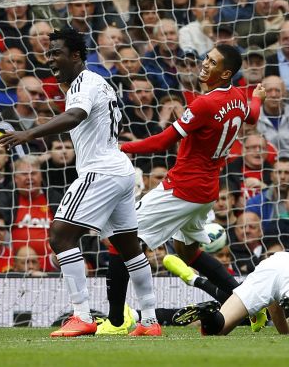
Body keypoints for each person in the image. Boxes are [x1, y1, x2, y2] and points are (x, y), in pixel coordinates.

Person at [0, 27, 160, 337]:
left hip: (101, 171)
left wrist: (29, 133)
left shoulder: (84, 83)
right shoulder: (99, 83)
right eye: (48, 54)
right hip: (119, 170)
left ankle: (81, 314)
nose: (50, 60)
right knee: (128, 248)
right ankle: (150, 321)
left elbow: (75, 117)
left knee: (60, 236)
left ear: (75, 55)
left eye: (56, 53)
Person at [101, 44, 266, 335]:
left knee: (119, 240)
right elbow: (252, 115)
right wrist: (257, 96)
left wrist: (121, 147)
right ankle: (251, 305)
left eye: (212, 62)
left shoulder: (204, 105)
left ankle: (115, 322)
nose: (204, 64)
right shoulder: (239, 97)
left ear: (225, 72)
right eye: (207, 57)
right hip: (205, 192)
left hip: (182, 188)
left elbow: (163, 142)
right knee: (187, 252)